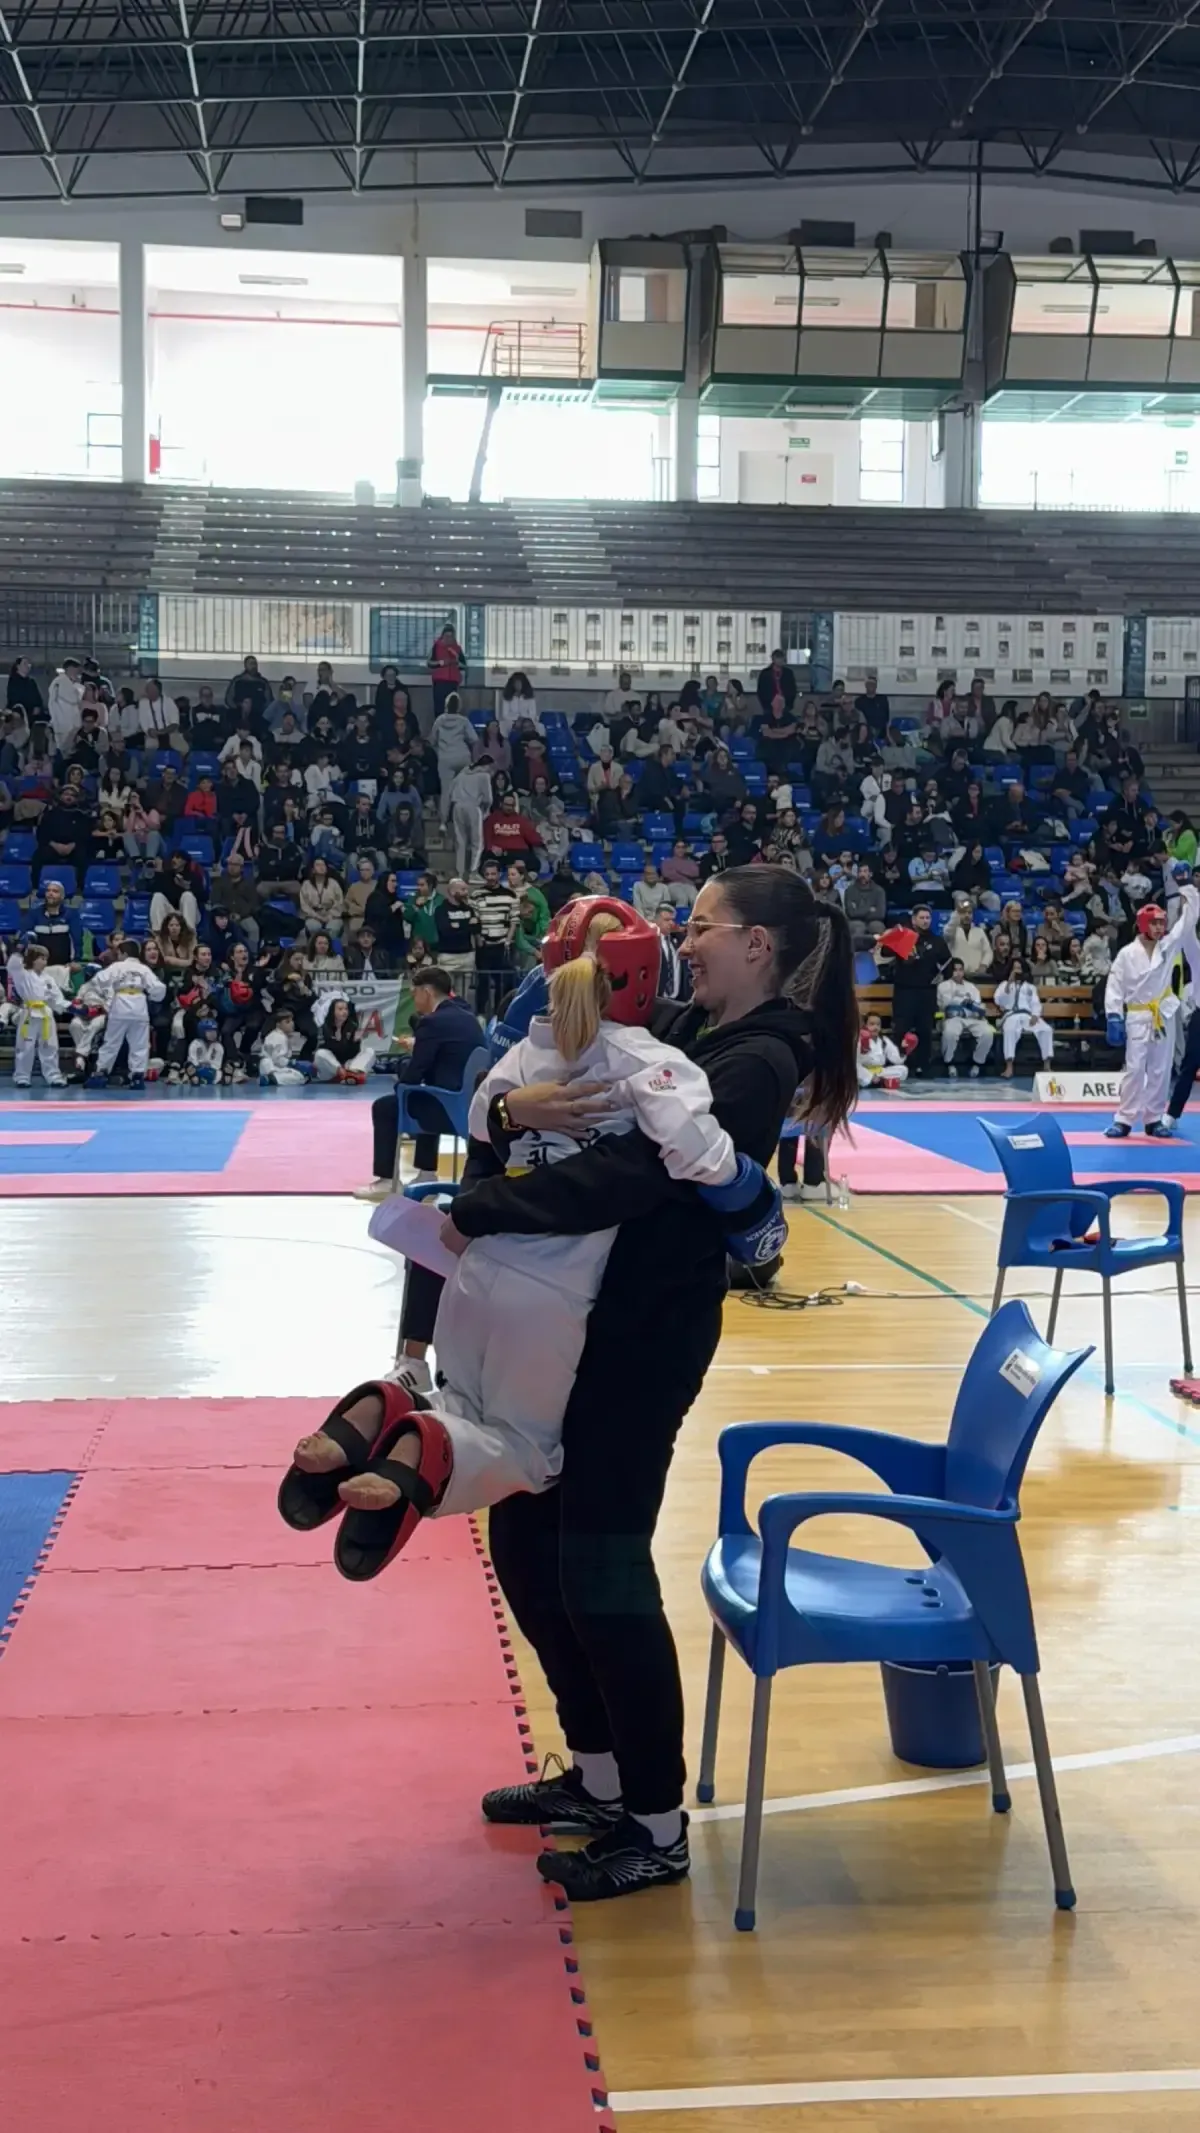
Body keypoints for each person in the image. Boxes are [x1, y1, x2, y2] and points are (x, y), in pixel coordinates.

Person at [307, 867, 858, 1900]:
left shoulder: (761, 1054)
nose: (685, 941)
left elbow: (644, 1175)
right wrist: (509, 1107)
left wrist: (491, 1210)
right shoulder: (687, 1022)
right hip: (574, 1319)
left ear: (761, 946)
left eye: (704, 926)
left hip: (643, 1340)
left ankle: (654, 1819)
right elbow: (568, 1067)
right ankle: (599, 1779)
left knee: (600, 1565)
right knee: (524, 1538)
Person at [281, 901, 761, 1584]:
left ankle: (387, 1407)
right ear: (646, 977)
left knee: (460, 1396)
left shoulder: (525, 1051)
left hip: (476, 1270)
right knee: (529, 1452)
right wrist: (739, 1179)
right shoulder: (649, 1059)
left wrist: (518, 1112)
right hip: (552, 1293)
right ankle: (427, 1438)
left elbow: (482, 1121)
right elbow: (692, 1150)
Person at [355, 967, 483, 1199]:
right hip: (468, 1105)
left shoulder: (431, 1022)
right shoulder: (468, 1017)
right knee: (427, 1093)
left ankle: (386, 1180)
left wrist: (400, 1088)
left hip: (446, 1110)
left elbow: (414, 1073)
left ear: (427, 992)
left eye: (414, 994)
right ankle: (426, 1173)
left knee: (386, 1106)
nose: (414, 1000)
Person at [1106, 887, 1200, 1137]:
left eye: (1162, 923)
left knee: (1161, 1069)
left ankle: (1153, 1118)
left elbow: (1188, 921)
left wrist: (1188, 889)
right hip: (1137, 1015)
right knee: (1134, 1068)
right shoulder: (1127, 954)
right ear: (1143, 925)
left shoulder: (1168, 947)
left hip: (1163, 1014)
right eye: (1155, 923)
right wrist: (1113, 1015)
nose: (1160, 928)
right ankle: (1124, 1118)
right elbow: (1114, 984)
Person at [86, 942, 166, 1090]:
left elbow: (99, 980)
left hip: (120, 1005)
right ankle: (137, 1076)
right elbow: (159, 989)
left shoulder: (117, 966)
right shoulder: (144, 968)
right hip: (139, 1006)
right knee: (139, 1044)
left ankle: (101, 1073)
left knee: (111, 1041)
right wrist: (152, 997)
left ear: (124, 954)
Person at [878, 906, 948, 1074]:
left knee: (924, 1030)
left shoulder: (937, 941)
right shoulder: (905, 935)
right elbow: (885, 951)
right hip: (905, 991)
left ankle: (924, 1066)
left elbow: (948, 963)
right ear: (914, 919)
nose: (925, 921)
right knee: (901, 1028)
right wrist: (895, 936)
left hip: (927, 991)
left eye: (928, 918)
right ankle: (898, 1063)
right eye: (922, 918)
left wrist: (942, 976)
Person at [10, 944, 68, 1088]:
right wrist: (19, 951)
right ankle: (22, 1076)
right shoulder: (22, 974)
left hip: (46, 1013)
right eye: (41, 958)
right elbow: (13, 965)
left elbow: (57, 999)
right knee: (25, 1046)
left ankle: (53, 1075)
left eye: (46, 959)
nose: (45, 962)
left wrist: (70, 1006)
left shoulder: (48, 979)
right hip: (29, 1011)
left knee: (50, 1046)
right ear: (33, 959)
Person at [995, 958, 1054, 1079]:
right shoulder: (1004, 985)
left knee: (1046, 1029)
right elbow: (1000, 1001)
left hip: (1027, 1015)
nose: (1017, 971)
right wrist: (1009, 983)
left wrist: (1035, 1015)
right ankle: (1009, 1067)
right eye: (1014, 968)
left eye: (1019, 968)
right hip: (1011, 1015)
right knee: (1010, 1031)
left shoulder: (1030, 987)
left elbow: (1035, 1003)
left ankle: (1047, 1065)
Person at [938, 960, 993, 1076]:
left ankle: (977, 1063)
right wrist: (963, 1003)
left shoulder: (971, 987)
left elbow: (977, 1005)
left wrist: (965, 1006)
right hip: (953, 1018)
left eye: (960, 970)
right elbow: (946, 1005)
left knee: (987, 1033)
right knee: (950, 1032)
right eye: (955, 970)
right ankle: (949, 1063)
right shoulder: (943, 986)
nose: (958, 973)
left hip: (972, 1018)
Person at [312, 997, 372, 1084]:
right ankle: (343, 1074)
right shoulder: (324, 1028)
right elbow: (324, 1048)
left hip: (347, 1065)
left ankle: (353, 1073)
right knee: (320, 1054)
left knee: (369, 1051)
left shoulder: (352, 1026)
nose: (344, 1012)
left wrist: (355, 1042)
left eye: (346, 1009)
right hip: (330, 1070)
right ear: (333, 1011)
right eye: (340, 1009)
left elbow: (352, 1053)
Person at [259, 1009, 313, 1087]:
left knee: (297, 1073)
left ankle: (271, 1078)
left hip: (268, 1066)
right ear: (278, 1025)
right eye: (287, 1022)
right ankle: (271, 1079)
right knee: (300, 1077)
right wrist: (293, 1063)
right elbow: (277, 1059)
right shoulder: (279, 1037)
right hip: (271, 1066)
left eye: (292, 1021)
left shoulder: (275, 1035)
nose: (291, 1024)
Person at [857, 1011, 909, 1091]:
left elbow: (897, 1060)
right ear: (865, 1025)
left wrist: (903, 1049)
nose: (875, 1027)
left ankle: (879, 1082)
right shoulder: (859, 1039)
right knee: (854, 1068)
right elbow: (855, 1060)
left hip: (880, 1072)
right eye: (872, 1024)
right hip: (865, 1071)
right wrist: (864, 1049)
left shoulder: (884, 1040)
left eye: (878, 1024)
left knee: (903, 1070)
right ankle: (878, 1081)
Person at [429, 623, 466, 717]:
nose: (449, 639)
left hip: (453, 682)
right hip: (440, 682)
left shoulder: (457, 649)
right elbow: (429, 663)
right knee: (439, 709)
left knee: (452, 709)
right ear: (442, 636)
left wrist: (456, 661)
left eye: (451, 636)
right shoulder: (436, 647)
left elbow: (464, 665)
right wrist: (442, 663)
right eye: (447, 636)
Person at [186, 1014, 224, 1086]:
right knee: (189, 1073)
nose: (213, 1034)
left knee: (219, 1074)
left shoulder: (218, 1046)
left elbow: (216, 1065)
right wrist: (199, 1068)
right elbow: (193, 1061)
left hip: (211, 1071)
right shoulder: (195, 1044)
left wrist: (207, 1069)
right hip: (196, 1070)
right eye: (209, 1032)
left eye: (214, 1031)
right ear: (202, 1032)